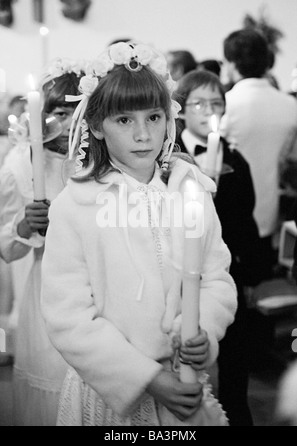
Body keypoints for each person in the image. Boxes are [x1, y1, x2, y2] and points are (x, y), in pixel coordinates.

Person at [41, 41, 237, 426]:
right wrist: (147, 378)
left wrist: (203, 331)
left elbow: (216, 278)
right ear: (97, 126)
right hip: (111, 397)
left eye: (153, 117)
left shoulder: (191, 190)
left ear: (169, 118)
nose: (144, 135)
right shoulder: (76, 205)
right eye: (125, 120)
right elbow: (69, 318)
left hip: (183, 385)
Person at [0, 57, 86, 425]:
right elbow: (6, 243)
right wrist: (24, 226)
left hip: (99, 287)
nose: (66, 125)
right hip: (47, 288)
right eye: (58, 114)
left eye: (75, 112)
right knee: (53, 384)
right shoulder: (22, 161)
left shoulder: (95, 158)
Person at [175, 69, 263, 425]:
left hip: (227, 270)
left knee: (233, 365)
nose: (209, 111)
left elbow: (246, 218)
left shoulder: (236, 160)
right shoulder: (168, 155)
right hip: (180, 271)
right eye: (199, 103)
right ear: (180, 109)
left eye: (217, 103)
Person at [222, 29, 297, 281]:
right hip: (268, 212)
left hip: (227, 212)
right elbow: (294, 158)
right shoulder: (290, 106)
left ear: (232, 64)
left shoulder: (228, 103)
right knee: (260, 280)